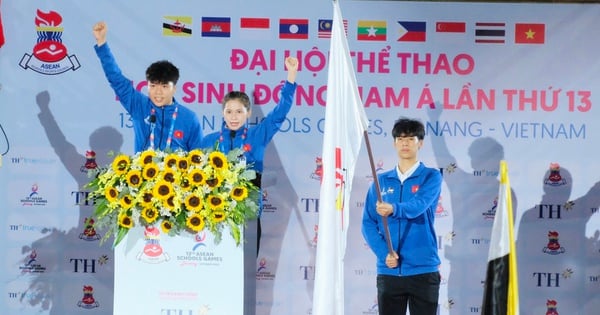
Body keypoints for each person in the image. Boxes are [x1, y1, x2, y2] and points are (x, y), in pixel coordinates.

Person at [201, 56, 298, 256]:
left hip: (248, 217)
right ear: (222, 113)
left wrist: (291, 76)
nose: (234, 116)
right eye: (229, 111)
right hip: (213, 218)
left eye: (239, 111)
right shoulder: (209, 142)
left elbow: (279, 113)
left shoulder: (257, 135)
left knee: (245, 277)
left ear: (248, 112)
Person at [361, 117, 442, 315]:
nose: (405, 143)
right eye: (400, 138)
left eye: (411, 138)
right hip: (389, 270)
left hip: (423, 270)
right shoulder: (381, 181)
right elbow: (368, 223)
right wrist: (384, 253)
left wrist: (393, 209)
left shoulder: (431, 176)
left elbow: (418, 206)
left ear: (420, 143)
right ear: (394, 142)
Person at [92, 21, 203, 153]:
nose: (158, 92)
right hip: (141, 173)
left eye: (164, 86)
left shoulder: (189, 118)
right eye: (153, 85)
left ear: (174, 89)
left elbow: (198, 159)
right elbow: (116, 79)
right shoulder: (139, 105)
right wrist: (102, 44)